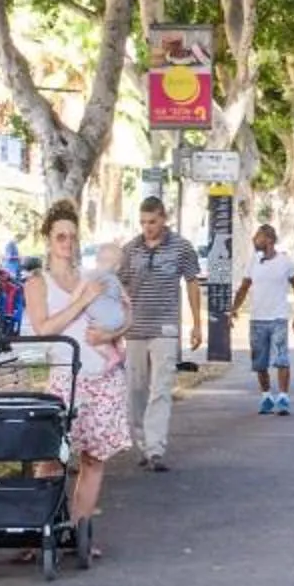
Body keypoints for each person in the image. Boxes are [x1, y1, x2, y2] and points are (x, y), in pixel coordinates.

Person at [23, 205, 130, 553]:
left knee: (94, 458)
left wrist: (110, 334)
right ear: (48, 240)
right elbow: (44, 329)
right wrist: (81, 301)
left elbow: (127, 311)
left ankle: (78, 533)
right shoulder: (38, 282)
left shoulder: (92, 275)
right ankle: (40, 531)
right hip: (66, 379)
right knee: (52, 457)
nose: (67, 243)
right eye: (60, 236)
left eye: (72, 236)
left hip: (103, 377)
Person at [118, 195, 202, 471]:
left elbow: (192, 283)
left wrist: (197, 323)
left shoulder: (182, 248)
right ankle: (142, 443)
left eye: (152, 222)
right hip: (135, 329)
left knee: (161, 389)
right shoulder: (130, 250)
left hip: (165, 328)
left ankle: (155, 449)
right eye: (143, 222)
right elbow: (119, 288)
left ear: (164, 219)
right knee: (136, 389)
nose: (147, 228)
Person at [231, 223, 294, 415]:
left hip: (279, 317)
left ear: (269, 240)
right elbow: (244, 287)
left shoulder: (285, 262)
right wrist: (233, 309)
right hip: (257, 319)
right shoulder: (253, 261)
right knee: (259, 362)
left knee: (282, 359)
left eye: (258, 237)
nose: (254, 240)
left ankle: (283, 397)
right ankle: (266, 397)